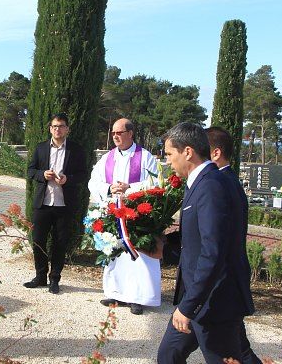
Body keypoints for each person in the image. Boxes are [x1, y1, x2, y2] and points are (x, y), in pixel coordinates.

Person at [157, 122, 252, 364]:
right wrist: (163, 247)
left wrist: (189, 305)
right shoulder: (198, 182)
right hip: (199, 297)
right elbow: (195, 238)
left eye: (169, 154)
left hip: (214, 301)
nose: (167, 161)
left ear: (187, 152)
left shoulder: (211, 185)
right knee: (169, 355)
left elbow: (213, 252)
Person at [88, 118, 161, 315]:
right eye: (113, 133)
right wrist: (109, 188)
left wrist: (130, 188)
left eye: (119, 132)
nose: (115, 136)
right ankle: (115, 292)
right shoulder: (107, 158)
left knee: (138, 254)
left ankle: (138, 297)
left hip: (138, 215)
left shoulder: (145, 157)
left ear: (130, 133)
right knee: (116, 252)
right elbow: (93, 182)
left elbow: (155, 184)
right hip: (114, 213)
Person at [206, 126, 260, 364]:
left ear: (215, 153)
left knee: (234, 349)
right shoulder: (225, 180)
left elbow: (216, 235)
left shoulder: (220, 183)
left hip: (223, 282)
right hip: (223, 282)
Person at [25, 113, 88, 294]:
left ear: (67, 129)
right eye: (54, 126)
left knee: (60, 244)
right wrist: (42, 174)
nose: (57, 129)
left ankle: (55, 279)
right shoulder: (41, 148)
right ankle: (40, 276)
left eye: (61, 126)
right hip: (42, 203)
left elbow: (84, 174)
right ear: (50, 129)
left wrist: (68, 179)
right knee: (38, 241)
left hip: (64, 205)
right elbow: (30, 170)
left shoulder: (76, 150)